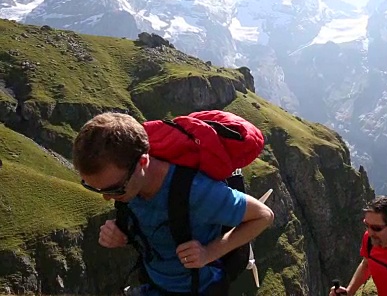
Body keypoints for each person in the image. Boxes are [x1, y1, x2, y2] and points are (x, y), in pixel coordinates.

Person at [72, 112, 274, 295]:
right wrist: (123, 234)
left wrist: (209, 253)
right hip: (154, 282)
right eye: (97, 189)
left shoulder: (195, 192)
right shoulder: (128, 184)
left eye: (114, 189)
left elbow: (263, 215)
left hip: (198, 289)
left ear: (143, 163)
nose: (107, 197)